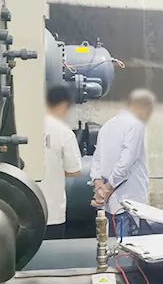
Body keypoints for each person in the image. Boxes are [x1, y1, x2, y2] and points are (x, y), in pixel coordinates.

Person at [91, 89, 155, 237]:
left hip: (109, 206)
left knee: (111, 245)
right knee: (129, 247)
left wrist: (99, 188)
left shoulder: (107, 125)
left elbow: (96, 160)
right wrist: (107, 189)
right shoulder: (137, 125)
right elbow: (126, 162)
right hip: (129, 203)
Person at [43, 84, 83, 240]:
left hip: (24, 210)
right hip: (52, 212)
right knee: (52, 253)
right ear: (64, 105)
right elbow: (74, 171)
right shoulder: (63, 132)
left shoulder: (24, 125)